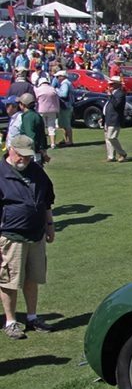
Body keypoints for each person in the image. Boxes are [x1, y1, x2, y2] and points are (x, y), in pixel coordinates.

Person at [0, 135, 58, 339]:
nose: (24, 160)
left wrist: (49, 226)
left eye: (28, 156)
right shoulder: (1, 173)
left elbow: (47, 201)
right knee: (9, 281)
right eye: (21, 155)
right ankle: (11, 321)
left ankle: (32, 317)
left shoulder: (37, 171)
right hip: (10, 236)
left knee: (32, 278)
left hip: (36, 235)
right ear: (10, 150)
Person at [17, 94, 48, 165]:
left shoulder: (28, 117)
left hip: (31, 152)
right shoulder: (36, 115)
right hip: (38, 150)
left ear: (23, 105)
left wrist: (30, 151)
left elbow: (30, 136)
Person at [103, 76, 128, 162]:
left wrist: (110, 96)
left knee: (111, 137)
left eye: (112, 84)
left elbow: (117, 105)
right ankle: (111, 156)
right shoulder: (113, 93)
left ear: (117, 85)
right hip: (108, 118)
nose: (110, 85)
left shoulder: (120, 94)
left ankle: (122, 153)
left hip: (115, 119)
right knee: (107, 138)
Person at [54, 69, 75, 147]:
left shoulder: (65, 84)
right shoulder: (67, 83)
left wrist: (56, 90)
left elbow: (63, 94)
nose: (57, 78)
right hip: (67, 105)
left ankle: (70, 141)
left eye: (58, 76)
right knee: (64, 124)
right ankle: (66, 139)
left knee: (66, 124)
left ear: (62, 77)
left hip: (66, 106)